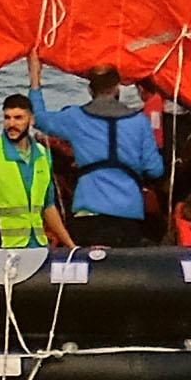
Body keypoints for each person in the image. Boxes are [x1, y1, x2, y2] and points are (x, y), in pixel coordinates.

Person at [33, 65, 166, 248]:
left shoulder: (76, 117)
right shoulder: (139, 122)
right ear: (117, 88)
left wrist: (35, 78)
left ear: (90, 89)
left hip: (88, 210)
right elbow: (155, 169)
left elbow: (38, 118)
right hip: (127, 212)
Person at [0, 90, 70, 256]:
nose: (11, 124)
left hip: (38, 246)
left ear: (31, 120)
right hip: (4, 248)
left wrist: (70, 245)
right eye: (7, 118)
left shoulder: (42, 154)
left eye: (18, 118)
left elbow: (48, 205)